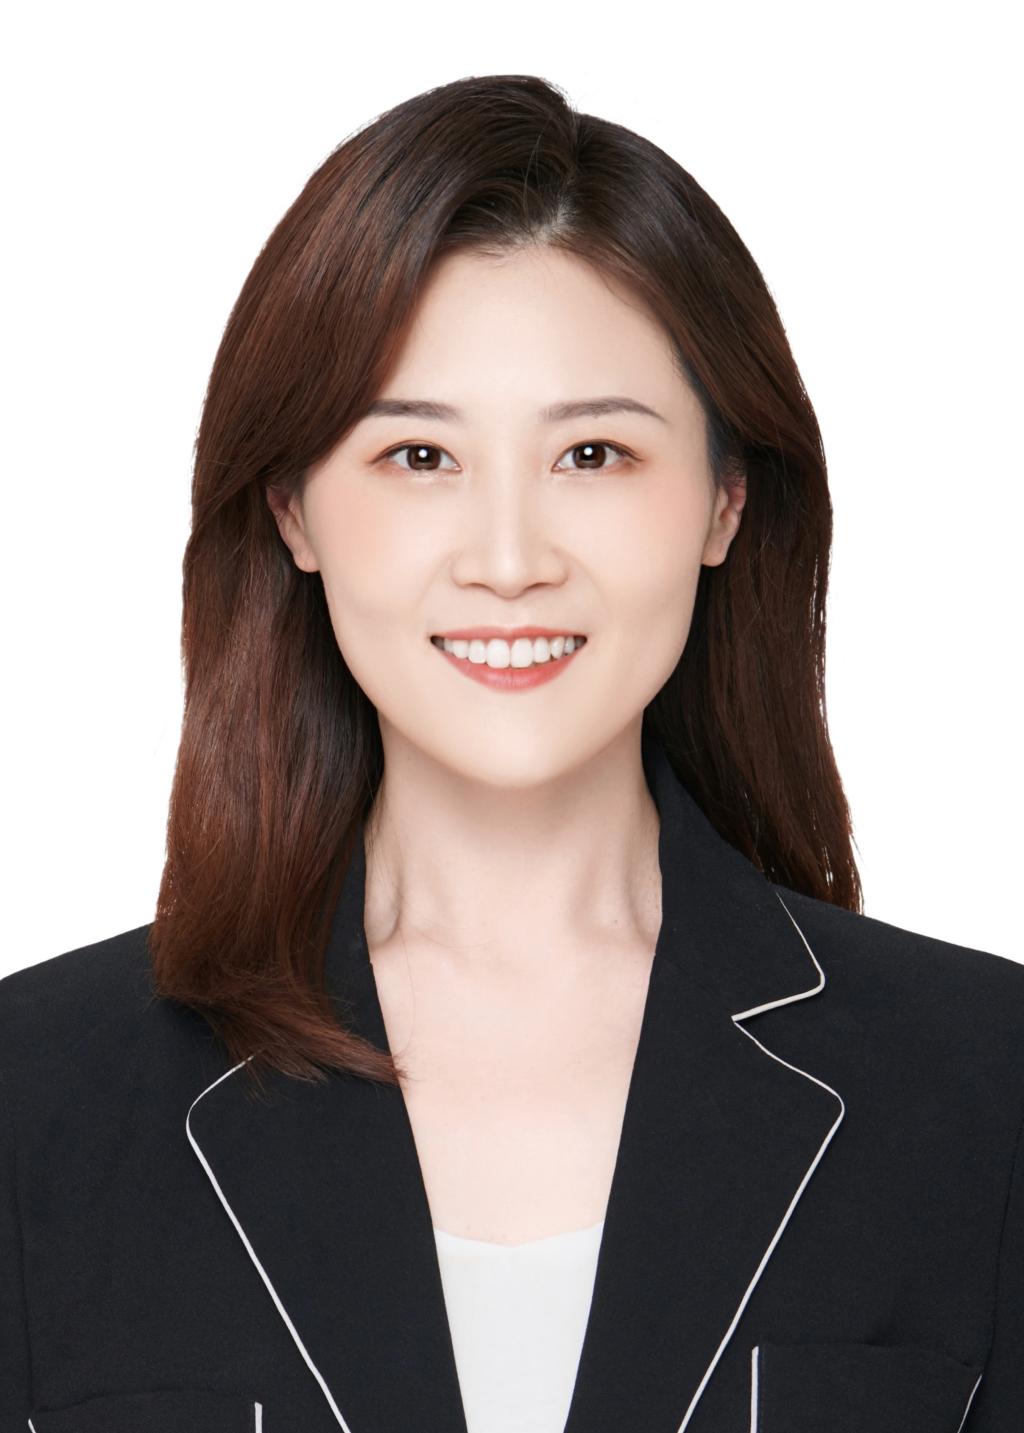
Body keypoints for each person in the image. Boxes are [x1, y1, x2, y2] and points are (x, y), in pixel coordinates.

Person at [2, 73, 1021, 1433]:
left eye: (592, 454)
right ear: (293, 509)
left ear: (724, 500)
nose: (508, 559)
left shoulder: (984, 1086)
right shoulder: (38, 1096)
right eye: (419, 457)